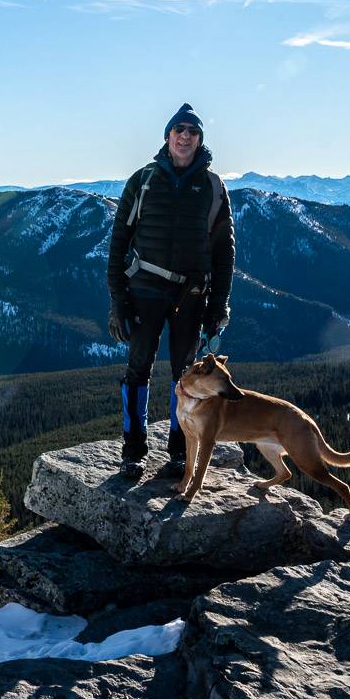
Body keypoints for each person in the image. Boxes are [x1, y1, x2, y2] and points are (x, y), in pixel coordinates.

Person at [106, 103, 235, 478]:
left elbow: (224, 252)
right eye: (179, 129)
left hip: (191, 295)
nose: (185, 136)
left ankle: (180, 450)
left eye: (192, 131)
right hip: (144, 289)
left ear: (199, 140)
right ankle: (134, 450)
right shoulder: (143, 180)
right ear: (167, 136)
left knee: (186, 376)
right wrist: (118, 300)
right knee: (137, 369)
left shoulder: (212, 187)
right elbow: (118, 243)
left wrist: (219, 305)